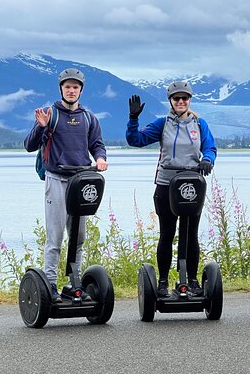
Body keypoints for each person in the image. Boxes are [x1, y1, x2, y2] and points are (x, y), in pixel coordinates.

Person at [24, 68, 108, 303]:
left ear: (81, 90)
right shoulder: (50, 114)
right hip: (57, 179)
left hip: (80, 180)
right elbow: (29, 145)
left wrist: (100, 158)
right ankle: (49, 284)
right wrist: (41, 127)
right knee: (55, 235)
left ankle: (74, 282)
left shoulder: (89, 117)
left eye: (75, 87)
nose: (71, 91)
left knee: (78, 236)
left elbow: (97, 144)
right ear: (61, 88)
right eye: (67, 87)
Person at [126, 82, 217, 297]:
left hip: (192, 186)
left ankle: (192, 280)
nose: (180, 102)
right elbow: (135, 140)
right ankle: (163, 281)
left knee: (190, 234)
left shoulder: (199, 124)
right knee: (167, 234)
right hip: (166, 184)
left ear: (189, 100)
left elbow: (210, 147)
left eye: (184, 98)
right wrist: (133, 119)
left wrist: (207, 160)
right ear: (171, 101)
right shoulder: (162, 124)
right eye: (176, 99)